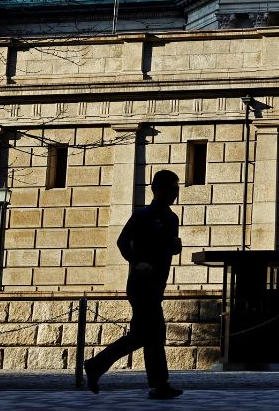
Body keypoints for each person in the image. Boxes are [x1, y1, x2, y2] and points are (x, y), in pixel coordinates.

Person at [84, 169, 184, 399]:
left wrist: (175, 247)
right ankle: (158, 385)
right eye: (170, 188)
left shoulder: (172, 219)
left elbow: (168, 247)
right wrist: (136, 262)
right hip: (140, 286)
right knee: (154, 334)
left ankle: (97, 365)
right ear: (156, 190)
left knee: (145, 336)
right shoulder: (142, 216)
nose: (174, 193)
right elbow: (122, 242)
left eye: (176, 188)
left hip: (157, 284)